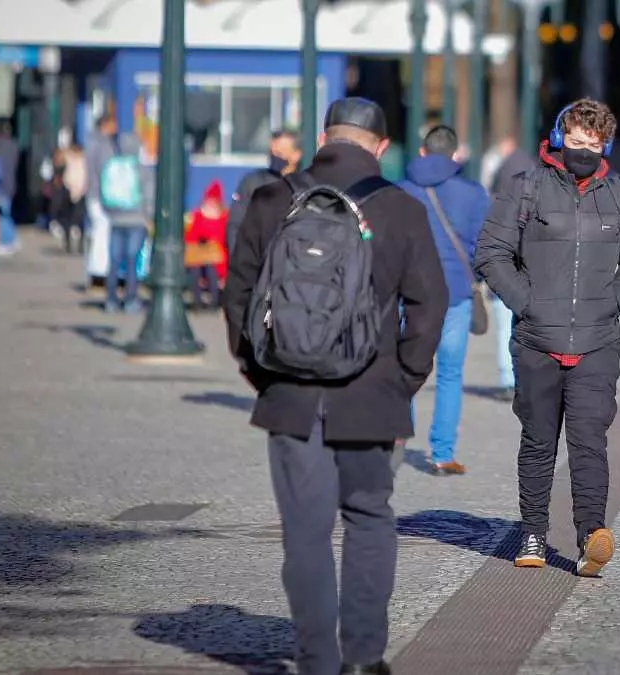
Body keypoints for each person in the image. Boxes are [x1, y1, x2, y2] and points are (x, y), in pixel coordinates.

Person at [223, 97, 448, 675]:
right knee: (370, 518)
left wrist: (264, 372)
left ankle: (316, 661)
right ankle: (364, 659)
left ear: (324, 137)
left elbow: (240, 295)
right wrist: (403, 381)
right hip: (372, 396)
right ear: (378, 146)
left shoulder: (274, 198)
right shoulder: (401, 209)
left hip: (291, 396)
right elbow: (429, 304)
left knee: (306, 533)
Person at [475, 98, 620, 576]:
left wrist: (614, 300)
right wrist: (527, 302)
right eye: (575, 142)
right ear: (558, 139)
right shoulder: (525, 189)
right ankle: (533, 532)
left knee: (589, 441)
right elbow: (491, 253)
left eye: (592, 145)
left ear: (606, 146)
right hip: (536, 340)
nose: (583, 151)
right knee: (538, 442)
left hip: (597, 340)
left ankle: (590, 537)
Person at [396, 125, 491, 475]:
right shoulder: (473, 193)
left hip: (410, 292)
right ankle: (442, 453)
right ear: (455, 155)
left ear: (422, 152)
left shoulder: (401, 189)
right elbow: (484, 246)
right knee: (451, 373)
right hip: (455, 292)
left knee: (405, 366)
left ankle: (396, 439)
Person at [484, 135, 536, 401]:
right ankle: (523, 378)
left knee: (505, 325)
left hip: (503, 274)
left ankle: (508, 379)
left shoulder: (496, 204)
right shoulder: (538, 199)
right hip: (528, 276)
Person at [87, 113, 154, 313]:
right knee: (133, 261)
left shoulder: (113, 163)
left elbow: (100, 182)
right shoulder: (140, 167)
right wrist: (148, 214)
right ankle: (131, 299)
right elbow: (149, 191)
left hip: (115, 216)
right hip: (137, 218)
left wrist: (107, 209)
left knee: (114, 260)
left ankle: (111, 300)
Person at [226, 130, 302, 254]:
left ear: (296, 155)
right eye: (271, 152)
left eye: (279, 153)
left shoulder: (304, 186)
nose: (274, 156)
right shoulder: (253, 183)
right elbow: (235, 224)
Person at [184, 180, 229, 311]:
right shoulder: (197, 215)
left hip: (217, 255)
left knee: (211, 269)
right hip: (199, 253)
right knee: (195, 269)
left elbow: (224, 238)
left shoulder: (224, 216)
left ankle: (213, 301)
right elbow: (190, 236)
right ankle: (197, 301)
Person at [0, 120, 21, 257]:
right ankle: (10, 239)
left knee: (2, 215)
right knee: (6, 213)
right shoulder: (13, 145)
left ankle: (7, 241)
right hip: (9, 184)